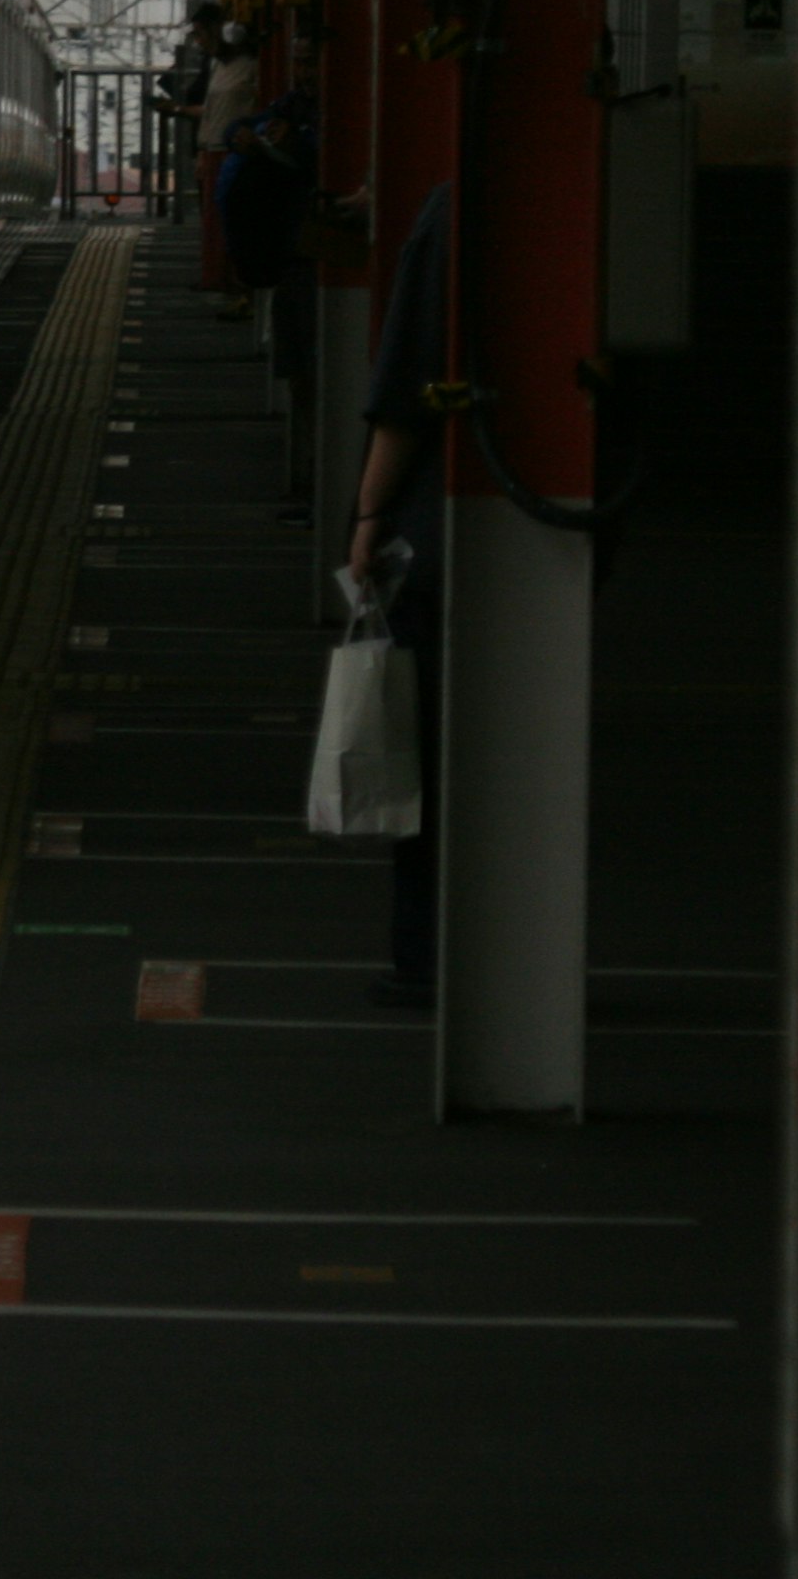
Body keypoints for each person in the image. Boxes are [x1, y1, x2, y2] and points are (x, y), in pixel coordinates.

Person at [346, 180, 455, 1008]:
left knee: (431, 752)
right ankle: (526, 955)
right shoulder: (611, 188)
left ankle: (427, 957)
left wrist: (370, 513)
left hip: (442, 534)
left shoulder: (448, 210)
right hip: (571, 515)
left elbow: (406, 388)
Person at [192, 22, 263, 314]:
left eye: (202, 34)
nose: (199, 43)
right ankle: (216, 277)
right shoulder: (216, 67)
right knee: (214, 217)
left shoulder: (252, 66)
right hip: (213, 148)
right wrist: (201, 147)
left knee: (231, 215)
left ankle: (235, 280)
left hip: (236, 149)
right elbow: (209, 109)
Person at [152, 4, 220, 219]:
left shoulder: (221, 64)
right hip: (206, 143)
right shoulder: (213, 62)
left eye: (200, 34)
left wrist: (178, 107)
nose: (198, 42)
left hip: (214, 146)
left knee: (213, 211)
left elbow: (209, 108)